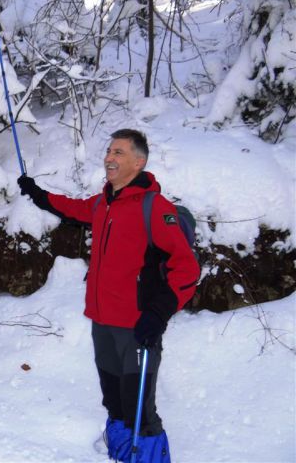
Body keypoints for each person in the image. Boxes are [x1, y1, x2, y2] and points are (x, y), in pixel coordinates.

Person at [17, 129, 199, 462]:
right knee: (113, 399)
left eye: (119, 152)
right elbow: (71, 208)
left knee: (139, 409)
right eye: (109, 151)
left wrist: (158, 314)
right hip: (102, 322)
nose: (109, 158)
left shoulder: (155, 208)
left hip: (137, 327)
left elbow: (187, 269)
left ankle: (147, 456)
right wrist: (37, 194)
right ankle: (119, 449)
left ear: (139, 162)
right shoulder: (103, 202)